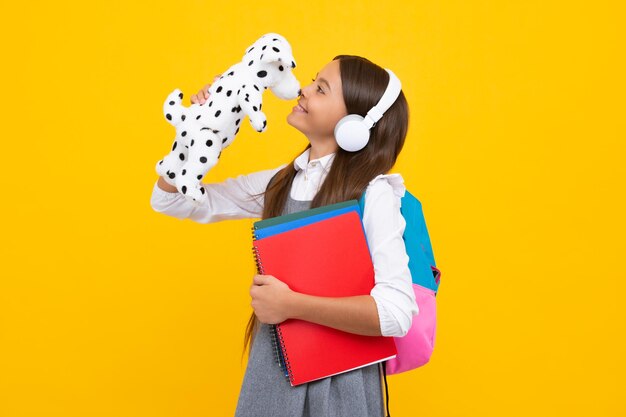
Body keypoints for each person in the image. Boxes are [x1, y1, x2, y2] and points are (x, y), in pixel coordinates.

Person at [150, 55, 419, 417]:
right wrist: (197, 137)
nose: (303, 89)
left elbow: (396, 313)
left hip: (342, 391)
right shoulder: (281, 182)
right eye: (312, 81)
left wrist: (291, 305)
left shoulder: (376, 194)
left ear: (354, 125)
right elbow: (170, 201)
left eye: (321, 89)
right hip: (272, 380)